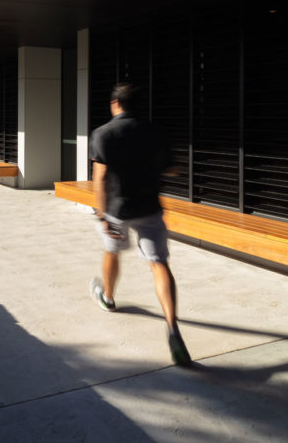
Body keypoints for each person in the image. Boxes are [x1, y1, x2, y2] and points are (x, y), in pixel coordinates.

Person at [88, 82, 191, 367]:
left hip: (118, 210)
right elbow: (172, 168)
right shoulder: (156, 131)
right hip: (150, 207)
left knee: (112, 252)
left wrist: (101, 213)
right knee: (159, 264)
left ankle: (108, 297)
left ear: (115, 104)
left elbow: (100, 177)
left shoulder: (103, 133)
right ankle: (172, 327)